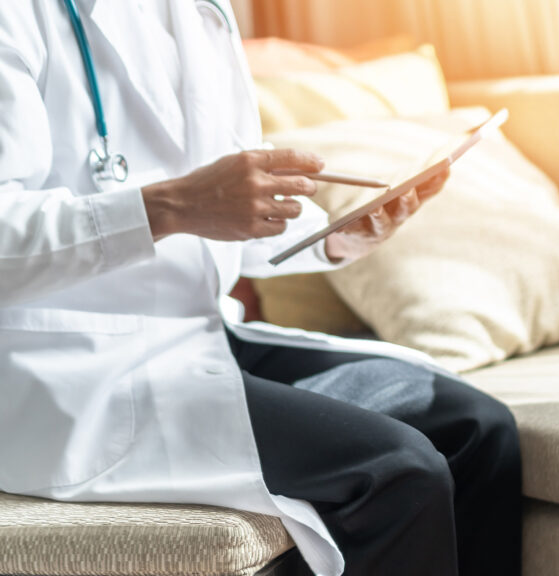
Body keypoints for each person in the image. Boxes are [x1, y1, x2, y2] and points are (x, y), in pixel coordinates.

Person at [0, 2, 520, 575]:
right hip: (67, 368)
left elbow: (223, 213)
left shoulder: (202, 10)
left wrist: (332, 238)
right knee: (398, 471)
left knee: (479, 430)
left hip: (201, 335)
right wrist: (171, 206)